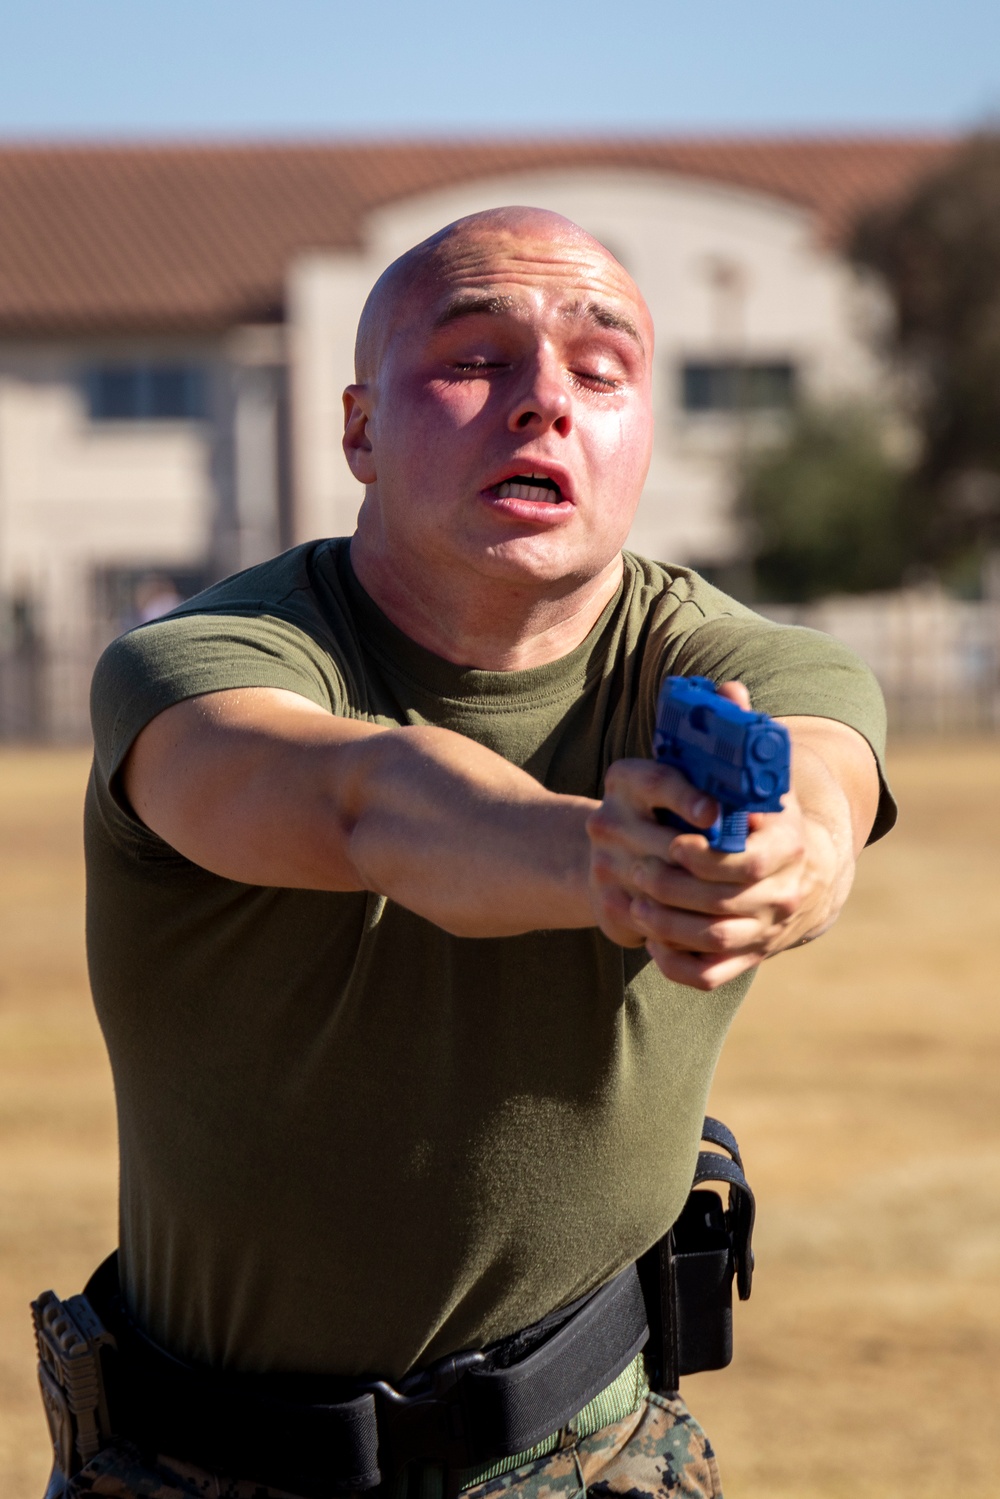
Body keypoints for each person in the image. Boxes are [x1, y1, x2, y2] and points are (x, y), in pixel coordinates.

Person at [63, 207, 893, 1499]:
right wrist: (608, 859)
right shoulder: (202, 663)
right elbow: (367, 803)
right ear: (359, 432)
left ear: (640, 436)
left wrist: (786, 863)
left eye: (599, 371)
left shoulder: (748, 662)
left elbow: (823, 788)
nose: (544, 403)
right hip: (200, 1463)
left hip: (597, 1451)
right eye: (473, 360)